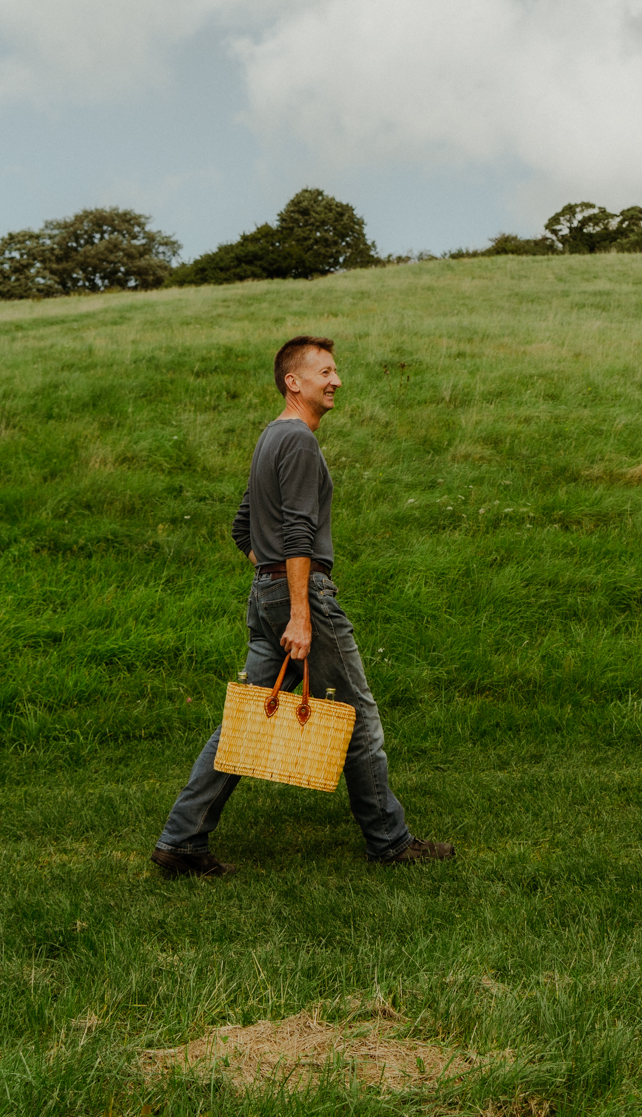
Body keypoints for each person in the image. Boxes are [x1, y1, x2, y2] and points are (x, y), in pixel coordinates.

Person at [151, 335, 455, 877]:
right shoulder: (297, 441)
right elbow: (298, 533)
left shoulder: (271, 437)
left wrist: (269, 575)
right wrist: (298, 609)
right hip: (300, 597)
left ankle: (181, 841)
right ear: (294, 382)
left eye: (336, 371)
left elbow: (242, 527)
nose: (337, 380)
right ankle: (389, 842)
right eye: (325, 372)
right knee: (357, 718)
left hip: (270, 592)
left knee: (245, 722)